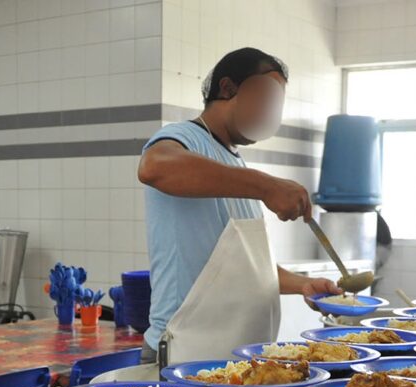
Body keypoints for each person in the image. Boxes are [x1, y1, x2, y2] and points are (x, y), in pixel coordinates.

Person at [137, 47, 340, 365]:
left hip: (236, 358)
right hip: (186, 352)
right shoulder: (184, 137)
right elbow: (154, 167)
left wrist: (303, 285)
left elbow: (245, 267)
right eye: (265, 98)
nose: (271, 112)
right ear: (228, 88)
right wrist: (267, 186)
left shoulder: (235, 165)